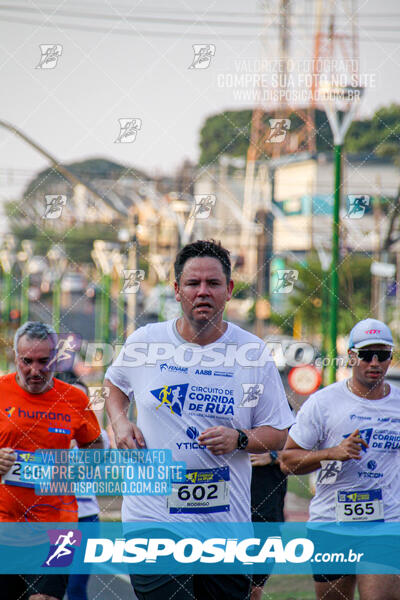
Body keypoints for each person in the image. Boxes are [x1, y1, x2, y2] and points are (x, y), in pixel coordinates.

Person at [105, 239, 294, 600]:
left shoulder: (252, 353)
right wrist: (119, 422)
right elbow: (115, 384)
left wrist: (238, 438)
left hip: (225, 527)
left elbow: (278, 434)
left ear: (229, 291)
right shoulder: (146, 342)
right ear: (177, 290)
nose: (202, 292)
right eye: (193, 284)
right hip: (153, 521)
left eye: (213, 284)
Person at [281, 318, 400, 600]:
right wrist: (331, 453)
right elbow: (287, 460)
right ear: (351, 357)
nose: (374, 362)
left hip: (386, 524)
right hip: (331, 524)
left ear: (390, 358)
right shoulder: (323, 403)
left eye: (382, 355)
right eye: (366, 355)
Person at [0, 322, 102, 600]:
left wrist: (77, 468)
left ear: (56, 357)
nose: (35, 370)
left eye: (44, 361)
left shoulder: (74, 399)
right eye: (27, 361)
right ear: (15, 357)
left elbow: (95, 447)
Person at [249, 449, 288, 600]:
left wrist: (274, 456)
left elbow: (306, 450)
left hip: (264, 512)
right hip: (219, 513)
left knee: (254, 586)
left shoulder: (286, 425)